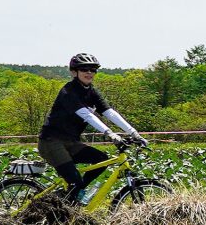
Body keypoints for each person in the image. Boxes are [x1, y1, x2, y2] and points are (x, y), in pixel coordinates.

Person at [39, 53, 144, 201]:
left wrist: (134, 133)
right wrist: (110, 133)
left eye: (93, 70)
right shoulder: (68, 92)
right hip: (51, 142)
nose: (89, 73)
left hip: (71, 142)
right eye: (84, 69)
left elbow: (110, 113)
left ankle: (72, 196)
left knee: (101, 159)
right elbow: (87, 115)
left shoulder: (91, 91)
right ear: (74, 72)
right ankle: (61, 203)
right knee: (75, 182)